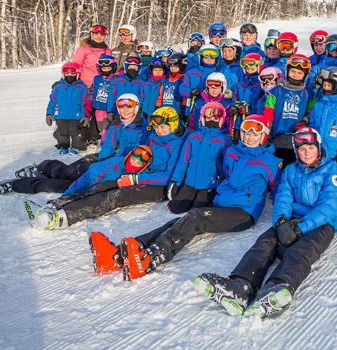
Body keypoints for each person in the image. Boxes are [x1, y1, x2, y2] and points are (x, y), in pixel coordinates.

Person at [90, 115, 280, 280]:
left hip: (243, 212)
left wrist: (282, 218)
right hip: (222, 202)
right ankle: (121, 253)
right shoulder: (232, 152)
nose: (250, 137)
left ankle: (153, 256)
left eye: (256, 133)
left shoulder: (270, 162)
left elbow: (279, 189)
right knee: (183, 219)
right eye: (247, 132)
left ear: (263, 135)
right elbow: (224, 174)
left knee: (197, 218)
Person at [192, 127, 337, 319]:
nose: (306, 153)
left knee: (301, 251)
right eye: (301, 149)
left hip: (321, 223)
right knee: (264, 244)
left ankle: (277, 287)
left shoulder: (331, 170)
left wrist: (300, 228)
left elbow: (329, 206)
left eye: (310, 148)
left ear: (319, 148)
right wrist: (280, 221)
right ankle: (240, 286)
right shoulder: (290, 170)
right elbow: (283, 198)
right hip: (291, 218)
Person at [24, 107, 187, 231]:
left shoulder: (178, 145)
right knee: (99, 185)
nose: (159, 131)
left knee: (114, 196)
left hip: (156, 184)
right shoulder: (155, 136)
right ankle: (56, 204)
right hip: (137, 173)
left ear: (173, 124)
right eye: (156, 127)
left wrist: (135, 179)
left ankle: (63, 217)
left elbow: (169, 176)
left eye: (163, 127)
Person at [0, 94, 149, 197]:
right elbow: (109, 145)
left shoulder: (143, 126)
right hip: (106, 161)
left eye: (129, 106)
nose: (125, 110)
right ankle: (44, 167)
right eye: (121, 106)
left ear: (135, 107)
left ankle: (16, 185)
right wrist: (104, 161)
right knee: (68, 172)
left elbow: (142, 151)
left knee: (63, 186)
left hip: (125, 165)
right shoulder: (115, 124)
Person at [306, 66, 337, 209]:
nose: (326, 88)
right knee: (318, 176)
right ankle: (320, 201)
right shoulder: (320, 104)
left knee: (336, 178)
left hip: (336, 152)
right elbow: (313, 125)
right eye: (324, 85)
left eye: (329, 85)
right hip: (320, 150)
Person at [263, 54, 315, 164]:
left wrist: (305, 121)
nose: (295, 75)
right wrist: (267, 135)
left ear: (305, 75)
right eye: (293, 71)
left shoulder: (309, 94)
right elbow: (268, 115)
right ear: (287, 71)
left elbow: (312, 114)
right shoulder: (275, 92)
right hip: (278, 139)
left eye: (300, 73)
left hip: (299, 140)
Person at [47, 62, 90, 154]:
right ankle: (63, 146)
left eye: (72, 74)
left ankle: (77, 147)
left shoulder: (82, 87)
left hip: (76, 116)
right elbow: (52, 101)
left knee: (77, 133)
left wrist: (86, 116)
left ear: (77, 74)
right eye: (67, 74)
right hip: (61, 115)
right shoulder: (58, 87)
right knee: (61, 133)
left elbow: (85, 103)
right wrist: (49, 114)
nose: (69, 76)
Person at [72, 24, 112, 89]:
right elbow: (75, 66)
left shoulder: (108, 51)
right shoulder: (83, 49)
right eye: (96, 34)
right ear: (92, 35)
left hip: (102, 86)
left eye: (101, 35)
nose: (99, 37)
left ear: (105, 36)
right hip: (86, 86)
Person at [89, 54, 118, 136]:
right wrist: (89, 102)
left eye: (108, 68)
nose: (106, 70)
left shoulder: (116, 80)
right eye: (103, 68)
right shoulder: (97, 79)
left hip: (110, 108)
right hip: (99, 108)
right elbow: (92, 91)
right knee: (101, 127)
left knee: (108, 127)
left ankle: (106, 143)